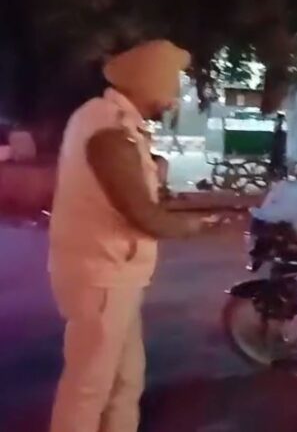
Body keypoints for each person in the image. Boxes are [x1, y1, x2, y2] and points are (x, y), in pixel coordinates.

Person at [48, 40, 211, 432]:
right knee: (89, 388)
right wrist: (194, 226)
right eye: (170, 84)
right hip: (102, 277)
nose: (173, 98)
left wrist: (156, 171)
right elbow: (141, 213)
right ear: (149, 84)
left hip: (113, 275)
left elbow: (133, 191)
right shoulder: (108, 129)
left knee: (124, 382)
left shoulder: (109, 122)